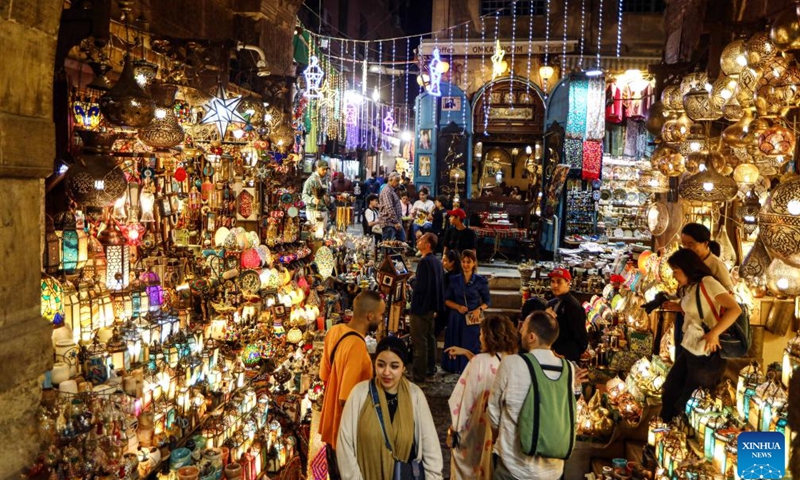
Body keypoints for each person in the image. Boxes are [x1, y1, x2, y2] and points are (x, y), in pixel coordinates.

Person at [337, 337, 444, 480]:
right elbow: (345, 444)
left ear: (404, 367)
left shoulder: (415, 396)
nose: (386, 372)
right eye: (381, 365)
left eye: (394, 366)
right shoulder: (359, 394)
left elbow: (431, 449)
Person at [488, 311, 578, 480]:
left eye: (523, 328)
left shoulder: (511, 363)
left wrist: (499, 437)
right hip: (553, 471)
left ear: (531, 337)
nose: (519, 331)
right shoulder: (568, 369)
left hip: (513, 466)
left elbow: (493, 411)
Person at [660, 248, 741, 422]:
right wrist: (678, 307)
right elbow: (697, 308)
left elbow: (735, 309)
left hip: (706, 353)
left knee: (691, 401)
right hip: (690, 347)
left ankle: (678, 440)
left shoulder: (708, 283)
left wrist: (714, 333)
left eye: (676, 271)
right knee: (671, 389)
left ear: (687, 268)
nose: (674, 276)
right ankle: (664, 434)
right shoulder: (691, 286)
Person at [319, 291, 386, 479]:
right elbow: (345, 400)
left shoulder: (334, 331)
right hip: (347, 437)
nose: (381, 319)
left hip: (332, 428)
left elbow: (325, 376)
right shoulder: (357, 346)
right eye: (381, 314)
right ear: (370, 315)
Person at [446, 316, 519, 480]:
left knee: (471, 468)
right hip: (502, 430)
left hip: (479, 426)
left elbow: (464, 401)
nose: (479, 337)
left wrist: (455, 430)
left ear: (489, 336)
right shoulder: (513, 360)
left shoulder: (479, 362)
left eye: (481, 334)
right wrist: (466, 353)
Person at [442, 249, 491, 374]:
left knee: (470, 343)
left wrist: (478, 310)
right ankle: (453, 368)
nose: (465, 265)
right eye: (463, 262)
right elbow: (446, 300)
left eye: (468, 262)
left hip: (472, 318)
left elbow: (488, 302)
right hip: (456, 317)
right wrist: (457, 307)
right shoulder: (454, 279)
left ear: (474, 263)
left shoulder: (481, 281)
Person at [409, 233, 445, 383]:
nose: (418, 241)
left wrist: (412, 281)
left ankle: (419, 374)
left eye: (421, 240)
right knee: (430, 338)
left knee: (420, 341)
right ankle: (430, 368)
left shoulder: (424, 262)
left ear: (428, 245)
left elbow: (421, 286)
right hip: (431, 307)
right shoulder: (436, 261)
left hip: (421, 307)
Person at [545, 268, 589, 362]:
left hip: (564, 358)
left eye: (559, 282)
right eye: (552, 282)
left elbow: (581, 339)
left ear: (568, 283)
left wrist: (564, 354)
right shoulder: (551, 304)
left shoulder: (574, 306)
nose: (555, 285)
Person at [681, 223, 734, 292]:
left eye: (690, 245)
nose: (686, 248)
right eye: (683, 244)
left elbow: (730, 293)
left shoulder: (717, 265)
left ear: (705, 243)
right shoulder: (689, 262)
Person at [437, 250, 463, 336]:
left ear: (452, 262)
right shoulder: (461, 275)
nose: (442, 262)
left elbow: (443, 294)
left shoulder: (448, 277)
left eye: (445, 260)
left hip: (449, 308)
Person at [302, 159, 331, 228]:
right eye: (323, 169)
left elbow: (327, 193)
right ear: (317, 168)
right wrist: (312, 200)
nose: (325, 171)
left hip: (324, 210)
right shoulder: (311, 180)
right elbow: (304, 195)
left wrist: (328, 199)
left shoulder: (325, 180)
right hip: (313, 211)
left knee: (322, 233)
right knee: (314, 234)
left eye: (326, 169)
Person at [378, 172, 405, 241]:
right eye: (396, 181)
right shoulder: (387, 191)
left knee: (401, 241)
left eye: (399, 181)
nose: (398, 183)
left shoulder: (392, 190)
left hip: (395, 222)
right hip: (389, 223)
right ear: (390, 180)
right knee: (388, 245)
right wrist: (395, 222)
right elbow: (389, 208)